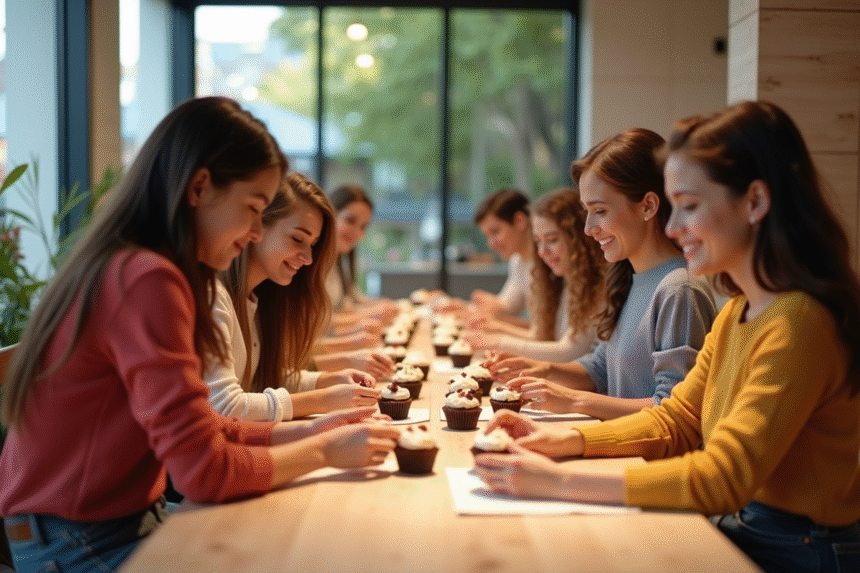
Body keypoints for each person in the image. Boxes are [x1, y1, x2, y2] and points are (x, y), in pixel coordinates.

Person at [0, 97, 399, 573]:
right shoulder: (146, 277)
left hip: (110, 521)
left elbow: (204, 428)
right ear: (199, 187)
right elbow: (203, 473)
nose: (255, 231)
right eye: (253, 209)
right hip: (77, 536)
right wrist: (322, 450)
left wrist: (315, 429)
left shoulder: (148, 266)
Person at [474, 101, 860, 573]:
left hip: (796, 549)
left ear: (756, 203)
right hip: (747, 528)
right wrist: (560, 443)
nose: (674, 228)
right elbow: (675, 419)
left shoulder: (798, 321)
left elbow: (723, 477)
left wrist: (556, 482)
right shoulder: (739, 309)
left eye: (690, 207)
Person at [486, 128, 716, 421]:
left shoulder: (678, 289)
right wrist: (538, 370)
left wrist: (574, 401)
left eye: (601, 211)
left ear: (647, 206)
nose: (588, 229)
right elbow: (600, 367)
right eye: (587, 212)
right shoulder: (630, 277)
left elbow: (674, 410)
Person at [206, 171, 388, 422]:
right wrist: (324, 399)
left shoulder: (263, 298)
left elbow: (263, 380)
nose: (308, 258)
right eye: (297, 239)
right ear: (256, 229)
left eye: (312, 244)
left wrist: (331, 379)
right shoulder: (214, 296)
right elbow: (224, 406)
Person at [462, 187, 606, 362]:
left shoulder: (594, 283)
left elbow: (568, 351)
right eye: (538, 242)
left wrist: (498, 339)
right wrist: (474, 313)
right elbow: (540, 333)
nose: (542, 252)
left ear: (579, 238)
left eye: (552, 240)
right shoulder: (569, 277)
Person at [433, 188, 534, 332]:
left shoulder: (549, 262)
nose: (490, 244)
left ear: (519, 221)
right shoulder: (518, 261)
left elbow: (547, 333)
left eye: (495, 232)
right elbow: (508, 306)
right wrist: (466, 307)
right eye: (487, 236)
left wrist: (484, 318)